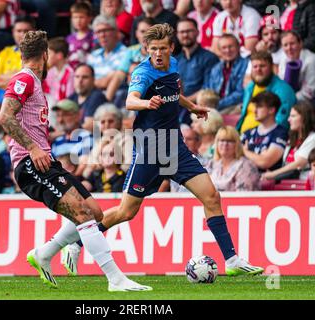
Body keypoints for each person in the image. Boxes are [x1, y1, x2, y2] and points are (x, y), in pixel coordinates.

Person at [62, 23, 264, 277]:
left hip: (175, 147)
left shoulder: (174, 64)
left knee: (212, 197)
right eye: (153, 49)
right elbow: (129, 100)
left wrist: (191, 106)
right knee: (126, 211)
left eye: (162, 48)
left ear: (171, 48)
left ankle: (232, 260)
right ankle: (77, 243)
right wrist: (146, 103)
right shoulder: (143, 73)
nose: (157, 53)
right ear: (147, 49)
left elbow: (174, 92)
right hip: (149, 150)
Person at [0, 30, 151, 291]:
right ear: (45, 56)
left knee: (95, 212)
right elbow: (4, 117)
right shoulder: (24, 79)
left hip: (46, 161)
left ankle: (44, 253)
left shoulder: (33, 80)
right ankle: (115, 279)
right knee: (82, 215)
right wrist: (33, 148)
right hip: (31, 163)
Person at [262, 101, 315, 181]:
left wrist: (273, 174)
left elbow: (298, 164)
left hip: (305, 184)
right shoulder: (292, 139)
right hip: (288, 182)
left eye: (293, 116)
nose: (288, 119)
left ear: (304, 118)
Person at [237, 51, 296, 133]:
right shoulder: (250, 87)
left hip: (267, 139)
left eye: (262, 66)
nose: (258, 69)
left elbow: (281, 122)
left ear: (271, 67)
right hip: (243, 137)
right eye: (255, 66)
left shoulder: (284, 90)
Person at [278, 31, 315, 111]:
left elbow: (308, 94)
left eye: (292, 43)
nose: (289, 48)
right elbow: (282, 83)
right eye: (285, 45)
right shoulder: (284, 59)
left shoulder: (311, 61)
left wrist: (287, 100)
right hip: (303, 95)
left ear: (300, 44)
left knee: (290, 111)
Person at [105, 17, 155, 106]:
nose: (145, 36)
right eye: (142, 32)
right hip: (130, 94)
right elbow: (118, 77)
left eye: (149, 32)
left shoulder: (161, 53)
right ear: (136, 34)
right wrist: (106, 103)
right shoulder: (131, 51)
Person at [175, 17, 219, 114]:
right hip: (178, 108)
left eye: (189, 31)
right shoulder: (175, 61)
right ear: (177, 35)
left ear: (197, 32)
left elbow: (208, 89)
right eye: (182, 32)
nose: (185, 35)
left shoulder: (210, 58)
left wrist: (184, 102)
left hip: (201, 108)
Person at [241, 91, 288, 172]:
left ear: (271, 110)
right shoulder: (248, 133)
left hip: (266, 180)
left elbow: (265, 162)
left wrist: (244, 151)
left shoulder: (281, 133)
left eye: (259, 107)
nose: (255, 111)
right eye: (255, 106)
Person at [203, 34, 248, 113]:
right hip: (215, 106)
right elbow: (209, 89)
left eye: (231, 46)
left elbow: (240, 93)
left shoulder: (246, 65)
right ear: (220, 50)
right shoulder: (216, 68)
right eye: (224, 47)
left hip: (234, 106)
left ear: (238, 47)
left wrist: (217, 105)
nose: (227, 50)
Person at [207, 126, 260, 191]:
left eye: (230, 141)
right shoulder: (211, 164)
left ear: (237, 144)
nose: (225, 144)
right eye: (222, 140)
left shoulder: (246, 166)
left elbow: (243, 196)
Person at [0, 15, 36, 89]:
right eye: (19, 31)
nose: (22, 34)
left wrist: (5, 77)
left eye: (26, 31)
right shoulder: (5, 52)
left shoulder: (41, 53)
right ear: (13, 32)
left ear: (34, 32)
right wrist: (19, 76)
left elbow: (32, 80)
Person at [87, 15, 128, 91]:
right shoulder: (93, 55)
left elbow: (105, 83)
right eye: (98, 32)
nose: (102, 35)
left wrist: (91, 83)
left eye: (105, 30)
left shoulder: (126, 54)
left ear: (116, 31)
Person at [68, 64, 107, 132]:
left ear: (93, 80)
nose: (80, 81)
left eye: (85, 77)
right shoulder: (71, 98)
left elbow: (88, 126)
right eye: (77, 77)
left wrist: (61, 133)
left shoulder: (97, 97)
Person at [44, 37, 75, 106]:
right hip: (52, 107)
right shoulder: (50, 72)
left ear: (59, 56)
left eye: (49, 53)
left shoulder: (70, 73)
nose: (46, 57)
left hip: (64, 108)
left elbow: (69, 98)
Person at [66, 1, 95, 70]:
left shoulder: (93, 36)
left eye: (81, 17)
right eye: (75, 17)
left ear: (89, 18)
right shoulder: (69, 38)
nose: (78, 20)